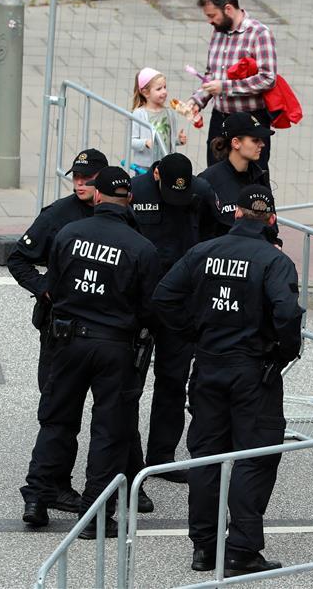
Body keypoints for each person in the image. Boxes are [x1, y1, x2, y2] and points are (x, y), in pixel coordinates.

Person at [152, 185, 303, 576]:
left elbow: (164, 296)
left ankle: (203, 547)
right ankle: (241, 549)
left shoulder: (204, 251)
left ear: (235, 213)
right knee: (255, 456)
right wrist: (281, 352)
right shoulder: (274, 260)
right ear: (271, 219)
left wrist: (193, 334)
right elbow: (288, 313)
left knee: (207, 457)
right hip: (253, 370)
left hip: (209, 365)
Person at [20, 167, 161, 539]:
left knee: (57, 420)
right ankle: (94, 514)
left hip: (67, 341)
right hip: (115, 346)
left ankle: (36, 496)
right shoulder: (141, 248)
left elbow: (52, 285)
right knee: (109, 432)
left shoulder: (69, 234)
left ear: (97, 197)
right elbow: (150, 308)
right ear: (129, 200)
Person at [8, 148, 108, 515]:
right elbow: (18, 258)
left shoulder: (116, 212)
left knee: (103, 415)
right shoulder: (58, 215)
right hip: (59, 329)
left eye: (88, 178)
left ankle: (53, 487)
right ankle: (51, 487)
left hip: (100, 331)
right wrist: (42, 286)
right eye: (76, 177)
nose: (80, 183)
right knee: (58, 413)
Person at [129, 153, 220, 484]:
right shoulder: (135, 192)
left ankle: (161, 455)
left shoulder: (202, 192)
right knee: (129, 383)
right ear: (156, 177)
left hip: (181, 304)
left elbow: (214, 236)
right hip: (141, 300)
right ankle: (130, 457)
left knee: (172, 381)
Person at [190, 0, 277, 171]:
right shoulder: (218, 32)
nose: (210, 21)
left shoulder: (259, 33)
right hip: (220, 120)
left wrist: (225, 87)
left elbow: (268, 78)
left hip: (250, 122)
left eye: (212, 15)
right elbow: (210, 75)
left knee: (253, 179)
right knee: (215, 177)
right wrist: (197, 101)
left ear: (228, 9)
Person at [198, 111, 276, 238]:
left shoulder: (260, 176)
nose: (262, 144)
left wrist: (275, 242)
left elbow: (271, 222)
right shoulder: (208, 180)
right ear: (236, 143)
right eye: (255, 140)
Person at [131, 68, 188, 173]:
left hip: (166, 164)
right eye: (159, 89)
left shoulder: (169, 113)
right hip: (146, 167)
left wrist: (178, 141)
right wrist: (145, 143)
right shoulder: (139, 114)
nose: (164, 92)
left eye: (165, 87)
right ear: (145, 93)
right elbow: (131, 141)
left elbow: (167, 139)